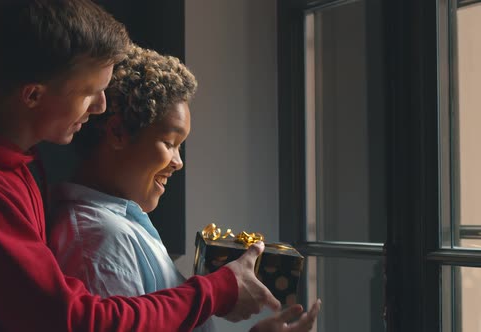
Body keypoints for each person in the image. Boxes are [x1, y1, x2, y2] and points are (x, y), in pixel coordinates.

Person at [0, 1, 318, 331]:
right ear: (33, 95)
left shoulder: (5, 159)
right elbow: (77, 322)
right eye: (90, 92)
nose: (99, 107)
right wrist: (217, 290)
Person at [48, 44, 320, 332]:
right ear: (116, 132)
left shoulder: (118, 226)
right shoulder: (102, 244)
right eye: (169, 143)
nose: (178, 162)